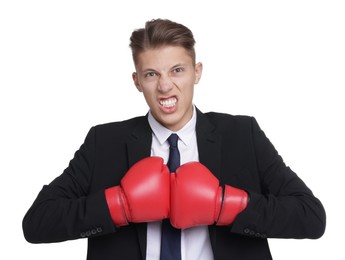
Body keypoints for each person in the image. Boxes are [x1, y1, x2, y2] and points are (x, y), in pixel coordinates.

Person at [23, 18, 326, 260]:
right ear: (137, 81)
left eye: (177, 70)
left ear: (197, 72)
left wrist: (225, 205)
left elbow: (311, 216)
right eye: (151, 74)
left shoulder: (241, 135)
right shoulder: (105, 141)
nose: (165, 86)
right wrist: (120, 205)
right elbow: (37, 222)